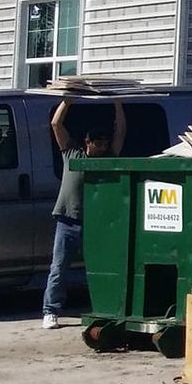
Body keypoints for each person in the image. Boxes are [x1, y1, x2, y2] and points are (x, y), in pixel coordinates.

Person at [44, 98, 125, 329]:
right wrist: (67, 101)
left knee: (103, 267)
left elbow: (121, 131)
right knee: (58, 267)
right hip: (67, 220)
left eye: (105, 143)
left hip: (96, 223)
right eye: (98, 143)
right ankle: (50, 311)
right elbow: (56, 124)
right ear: (87, 143)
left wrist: (118, 104)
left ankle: (106, 308)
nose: (102, 147)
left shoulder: (109, 159)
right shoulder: (72, 154)